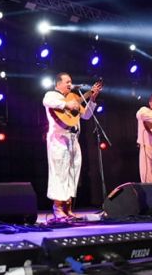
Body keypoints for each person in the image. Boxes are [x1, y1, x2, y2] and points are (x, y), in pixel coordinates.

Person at [43, 73, 102, 219]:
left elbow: (87, 115)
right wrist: (66, 104)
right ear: (58, 84)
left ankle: (67, 208)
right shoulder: (52, 95)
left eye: (71, 82)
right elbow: (46, 101)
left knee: (73, 174)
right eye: (67, 82)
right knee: (60, 172)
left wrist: (92, 98)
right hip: (59, 139)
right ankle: (57, 208)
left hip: (73, 139)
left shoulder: (73, 97)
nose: (70, 84)